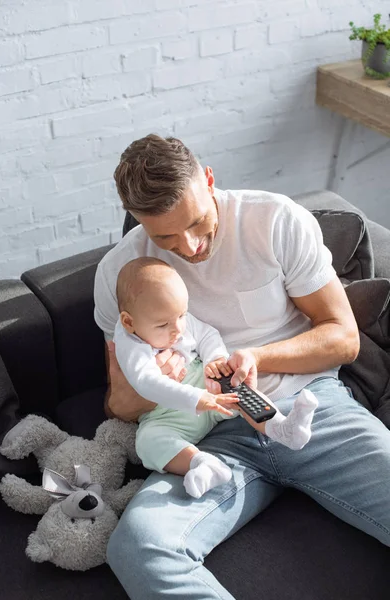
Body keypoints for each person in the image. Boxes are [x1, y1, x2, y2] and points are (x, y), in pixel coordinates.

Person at [94, 134, 390, 600]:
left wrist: (257, 356)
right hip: (205, 439)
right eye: (165, 237)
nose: (189, 247)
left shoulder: (274, 220)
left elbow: (343, 338)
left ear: (209, 181)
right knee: (139, 546)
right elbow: (120, 404)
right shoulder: (121, 272)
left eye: (196, 223)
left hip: (307, 409)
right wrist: (160, 382)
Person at [113, 256, 319, 499]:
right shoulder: (129, 344)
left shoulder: (174, 319)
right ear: (129, 322)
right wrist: (197, 398)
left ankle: (283, 428)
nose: (178, 329)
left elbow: (206, 335)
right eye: (163, 325)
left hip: (203, 383)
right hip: (166, 414)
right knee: (147, 442)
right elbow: (147, 383)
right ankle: (202, 464)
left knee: (236, 385)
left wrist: (215, 359)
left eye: (182, 315)